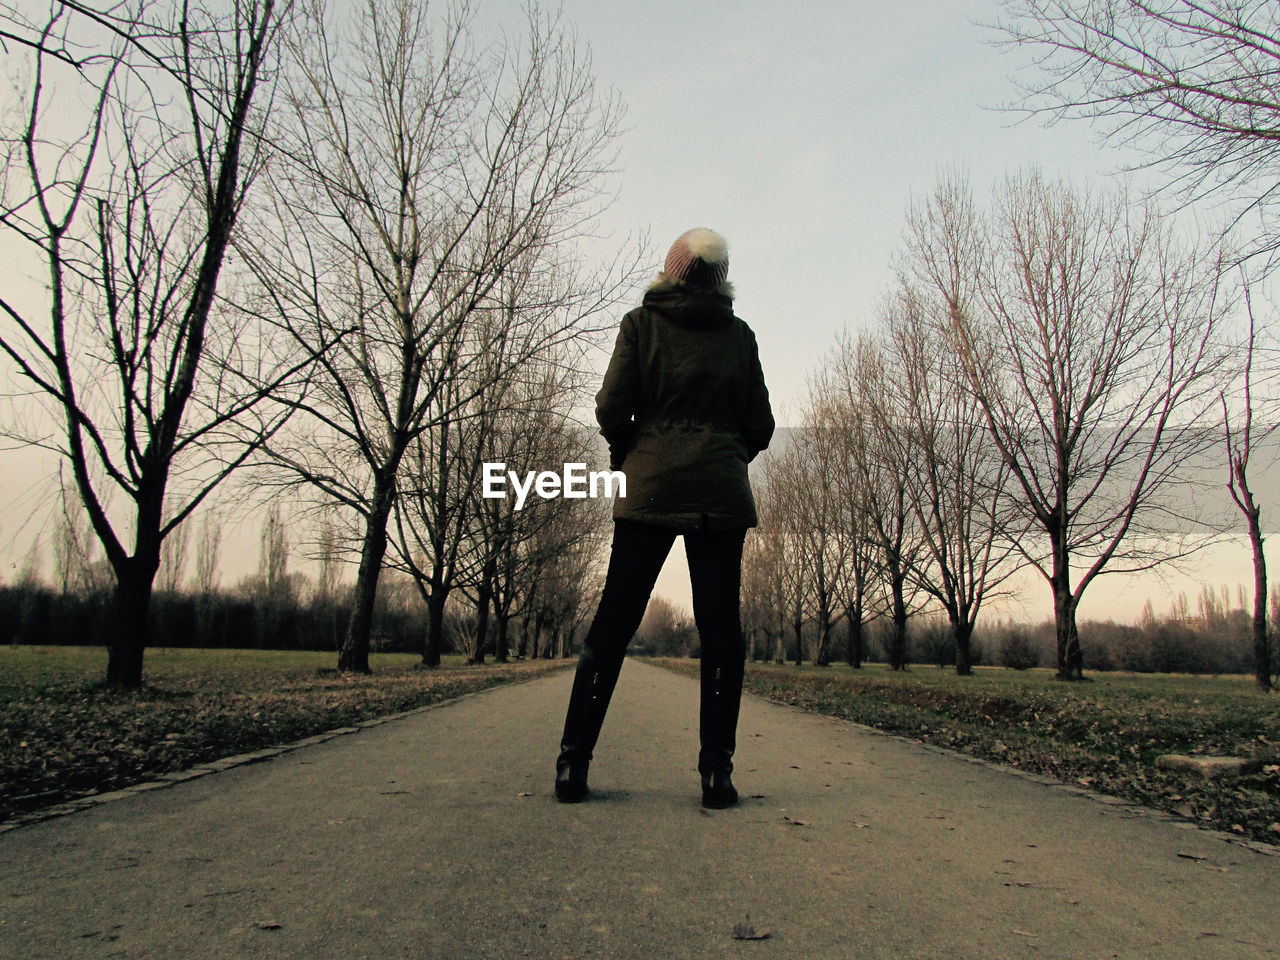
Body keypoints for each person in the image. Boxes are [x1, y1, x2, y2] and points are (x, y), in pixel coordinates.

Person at [554, 227, 774, 808]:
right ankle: (716, 776)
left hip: (647, 489)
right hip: (720, 498)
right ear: (721, 279)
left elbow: (610, 407)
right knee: (722, 632)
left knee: (613, 625)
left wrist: (634, 455)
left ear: (671, 270)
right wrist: (725, 456)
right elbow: (761, 427)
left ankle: (572, 766)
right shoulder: (739, 337)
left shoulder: (640, 325)